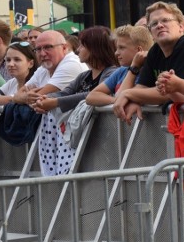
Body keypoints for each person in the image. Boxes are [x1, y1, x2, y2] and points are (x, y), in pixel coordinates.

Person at [32, 27, 119, 176]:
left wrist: (55, 103)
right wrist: (45, 99)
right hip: (80, 142)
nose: (78, 50)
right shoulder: (84, 75)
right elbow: (65, 93)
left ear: (94, 48)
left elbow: (91, 95)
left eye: (82, 46)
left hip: (99, 143)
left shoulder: (112, 72)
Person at [112, 2, 184, 123]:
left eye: (165, 20)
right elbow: (141, 88)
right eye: (154, 23)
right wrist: (133, 98)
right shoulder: (155, 51)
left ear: (181, 26)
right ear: (150, 32)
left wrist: (129, 95)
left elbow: (174, 92)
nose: (160, 25)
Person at [86, 25, 154, 107]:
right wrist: (115, 100)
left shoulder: (150, 72)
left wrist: (134, 68)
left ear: (139, 50)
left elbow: (121, 95)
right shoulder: (121, 71)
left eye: (121, 48)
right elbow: (91, 96)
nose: (116, 53)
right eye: (116, 48)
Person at [0, 42, 37, 106]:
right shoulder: (12, 82)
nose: (10, 64)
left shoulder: (35, 84)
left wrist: (11, 99)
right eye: (8, 60)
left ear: (31, 63)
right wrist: (14, 98)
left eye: (17, 60)